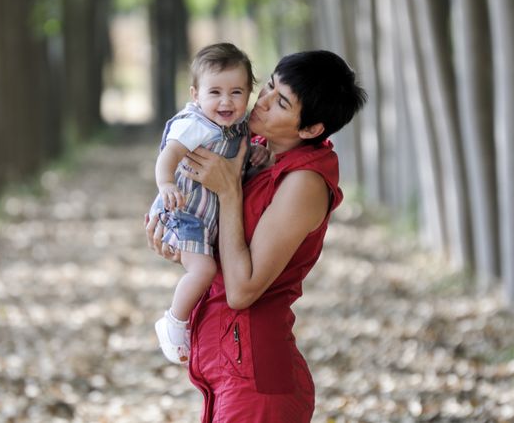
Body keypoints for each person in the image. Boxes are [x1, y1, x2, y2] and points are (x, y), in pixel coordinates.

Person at [146, 50, 366, 422]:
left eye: (280, 102)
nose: (260, 103)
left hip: (255, 379)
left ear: (311, 129)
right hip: (226, 365)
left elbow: (243, 290)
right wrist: (183, 244)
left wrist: (229, 190)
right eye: (268, 87)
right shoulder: (253, 150)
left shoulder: (305, 183)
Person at [149, 42, 269, 365]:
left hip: (206, 216)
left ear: (248, 94)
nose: (226, 101)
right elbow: (166, 158)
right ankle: (174, 321)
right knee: (204, 269)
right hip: (184, 210)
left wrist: (254, 156)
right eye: (214, 92)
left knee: (206, 266)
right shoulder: (195, 125)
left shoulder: (238, 128)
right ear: (195, 94)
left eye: (236, 92)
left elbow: (235, 162)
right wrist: (166, 185)